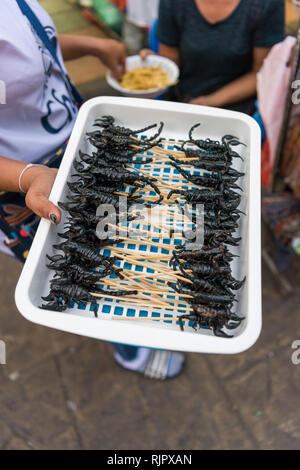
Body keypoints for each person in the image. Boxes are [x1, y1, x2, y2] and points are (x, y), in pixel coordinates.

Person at [0, 0, 184, 379]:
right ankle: (128, 348)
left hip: (77, 142)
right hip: (28, 184)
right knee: (85, 274)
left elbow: (30, 50)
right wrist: (28, 177)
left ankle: (142, 317)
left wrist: (91, 46)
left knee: (124, 237)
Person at [141, 0, 285, 115]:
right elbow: (171, 62)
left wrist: (212, 101)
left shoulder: (265, 4)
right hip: (182, 100)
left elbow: (261, 73)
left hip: (235, 107)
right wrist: (155, 67)